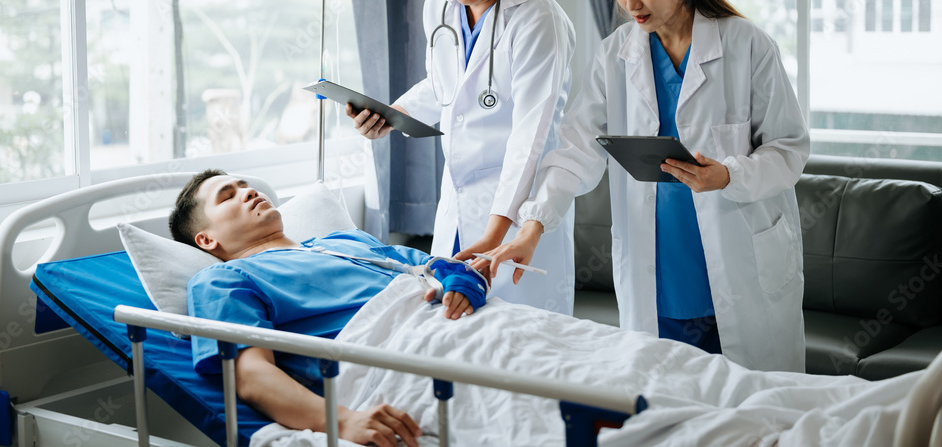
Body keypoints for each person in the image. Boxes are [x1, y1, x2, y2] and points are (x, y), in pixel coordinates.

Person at [475, 0, 809, 372]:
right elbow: (573, 151)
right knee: (666, 405)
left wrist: (729, 175)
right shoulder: (614, 55)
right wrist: (530, 229)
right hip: (657, 276)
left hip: (741, 269)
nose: (631, 5)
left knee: (753, 413)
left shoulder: (748, 45)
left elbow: (788, 148)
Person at [168, 170, 491, 447]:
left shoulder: (346, 241)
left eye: (243, 185)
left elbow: (439, 267)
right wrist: (343, 422)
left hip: (477, 329)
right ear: (207, 240)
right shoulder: (221, 280)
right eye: (227, 196)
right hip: (405, 362)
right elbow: (251, 375)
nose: (248, 191)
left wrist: (466, 281)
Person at [346, 0, 578, 315]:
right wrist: (394, 116)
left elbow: (530, 139)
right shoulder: (440, 7)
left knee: (516, 338)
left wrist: (492, 239)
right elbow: (444, 85)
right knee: (450, 331)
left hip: (517, 210)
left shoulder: (540, 18)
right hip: (456, 202)